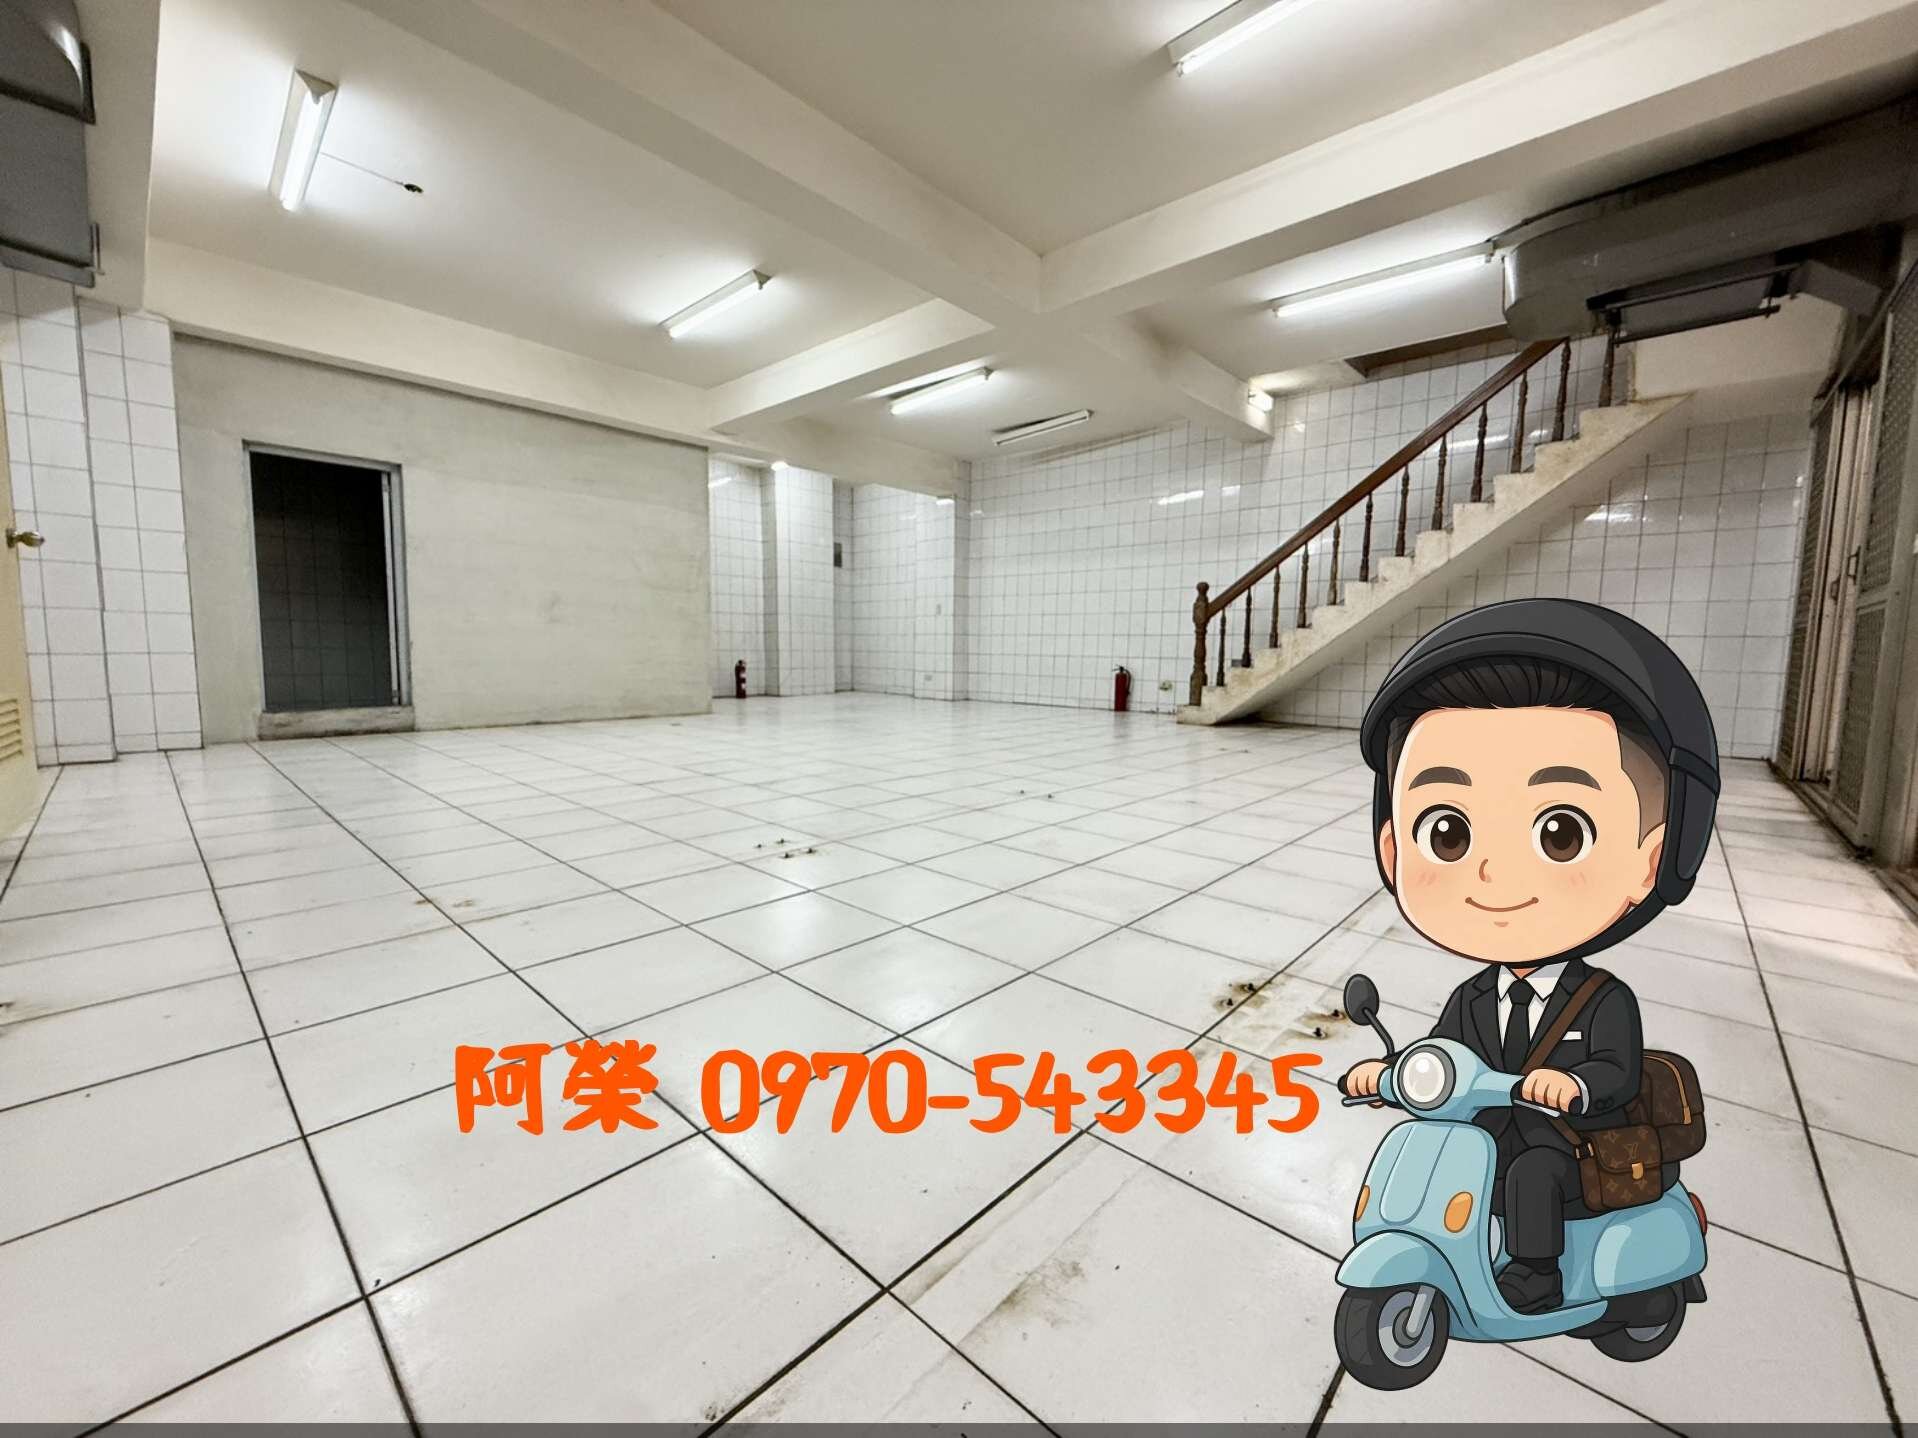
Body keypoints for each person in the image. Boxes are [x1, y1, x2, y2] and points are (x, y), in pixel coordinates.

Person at [1340, 598, 1719, 1315]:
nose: (1493, 874)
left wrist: (1570, 1085)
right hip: (1492, 1131)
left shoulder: (1604, 1000)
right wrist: (1389, 1075)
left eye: (1561, 834)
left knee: (1530, 1174)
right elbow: (1445, 1054)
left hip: (1572, 1141)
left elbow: (1615, 1071)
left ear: (1655, 858)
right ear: (1392, 848)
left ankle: (1536, 1275)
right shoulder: (1475, 997)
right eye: (1448, 833)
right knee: (1464, 1164)